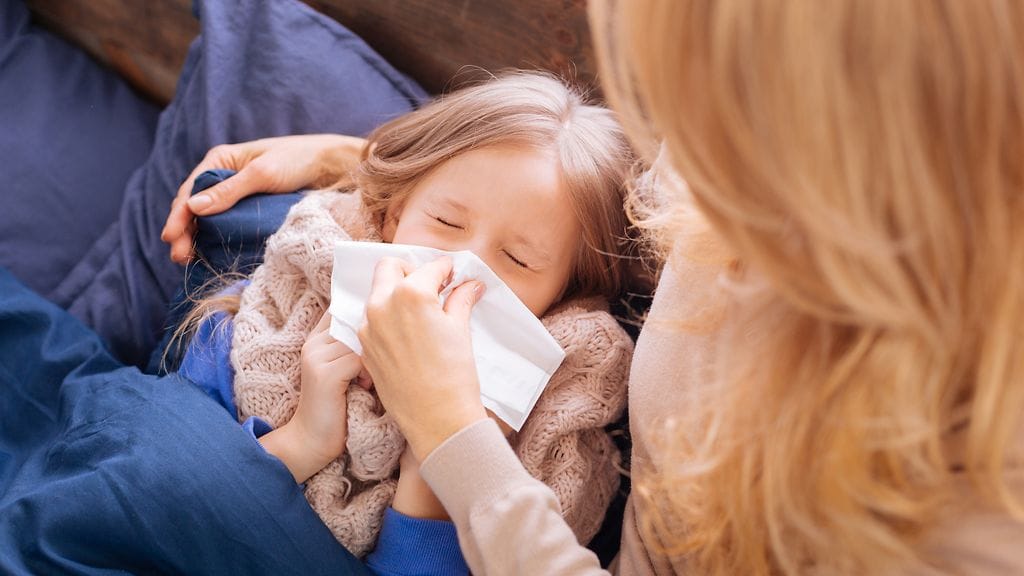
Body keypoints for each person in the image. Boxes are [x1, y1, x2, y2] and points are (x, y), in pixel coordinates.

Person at [163, 0, 1024, 574]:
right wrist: (369, 165)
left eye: (730, 120)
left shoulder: (980, 509)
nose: (691, 150)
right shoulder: (272, 324)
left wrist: (450, 439)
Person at [172, 72, 637, 567]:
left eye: (518, 260)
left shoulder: (557, 451)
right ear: (395, 215)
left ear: (563, 300)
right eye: (446, 222)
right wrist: (303, 441)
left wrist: (429, 478)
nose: (458, 270)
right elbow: (167, 504)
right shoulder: (261, 323)